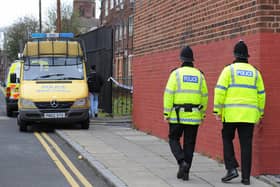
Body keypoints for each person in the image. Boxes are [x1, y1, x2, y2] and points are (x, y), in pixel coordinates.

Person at [213, 40, 266, 185]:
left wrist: (217, 110)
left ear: (235, 55)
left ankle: (231, 168)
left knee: (227, 138)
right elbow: (261, 94)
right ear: (247, 56)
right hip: (249, 116)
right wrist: (260, 114)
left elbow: (220, 91)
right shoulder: (255, 73)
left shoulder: (228, 70)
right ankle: (246, 178)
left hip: (230, 114)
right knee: (246, 145)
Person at [163, 46, 208, 181]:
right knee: (190, 143)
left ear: (181, 59)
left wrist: (166, 113)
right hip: (194, 115)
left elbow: (169, 94)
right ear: (192, 60)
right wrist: (202, 113)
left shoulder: (175, 74)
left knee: (173, 139)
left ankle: (182, 162)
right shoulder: (199, 75)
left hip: (177, 115)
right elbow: (204, 95)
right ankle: (186, 172)